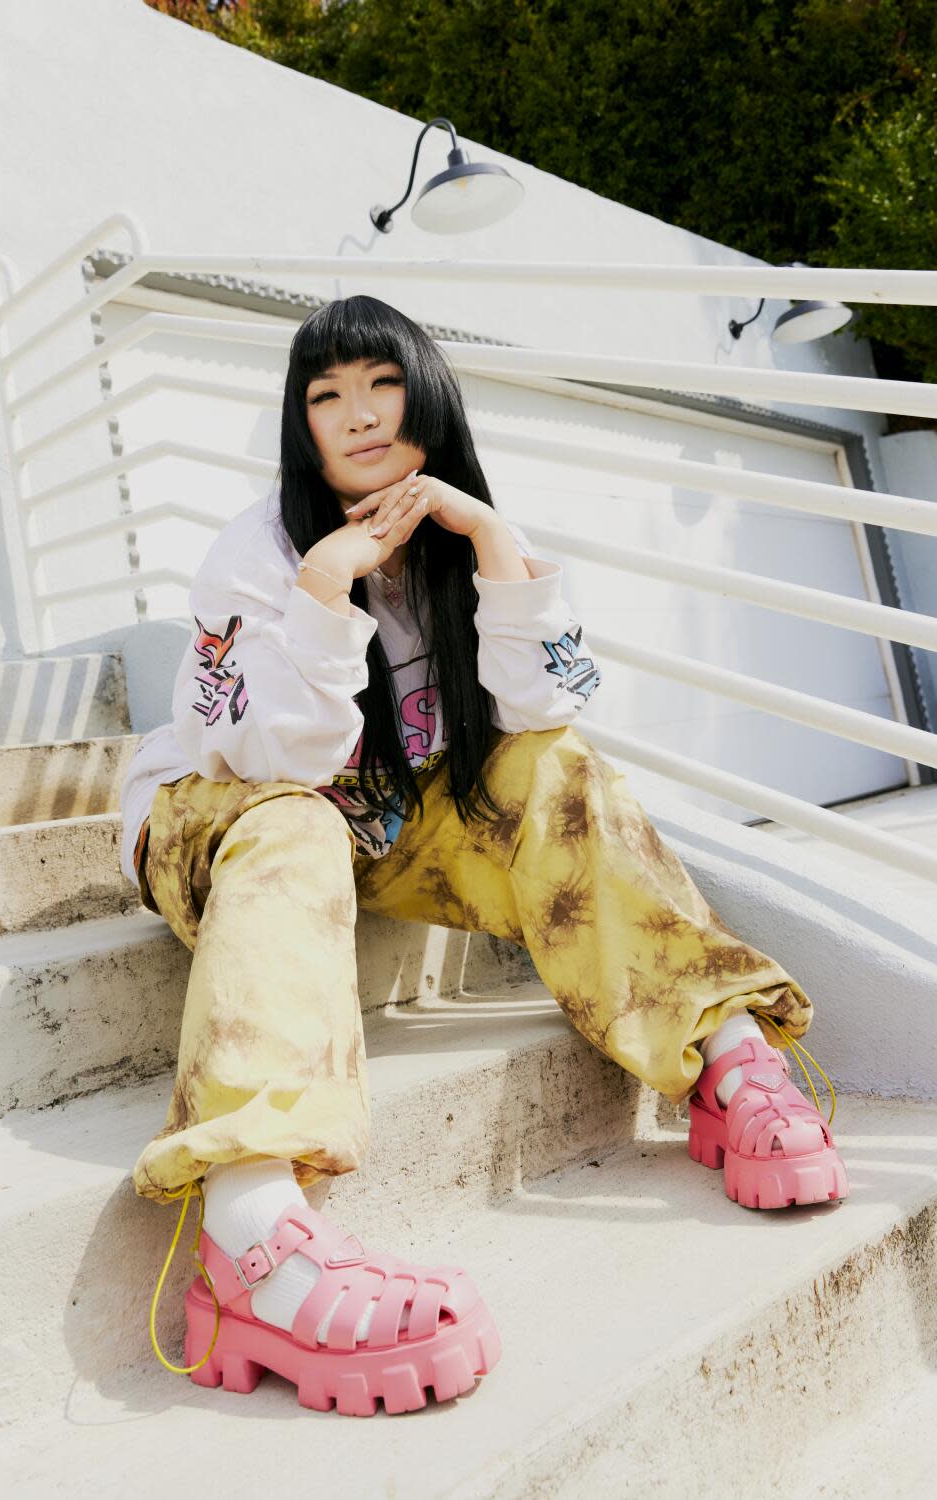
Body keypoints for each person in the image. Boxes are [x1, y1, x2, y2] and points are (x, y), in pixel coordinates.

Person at [119, 294, 849, 1418]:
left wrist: (493, 541)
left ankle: (723, 1051)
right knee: (297, 814)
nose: (359, 416)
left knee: (557, 772)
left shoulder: (459, 540)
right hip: (220, 820)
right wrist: (327, 582)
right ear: (300, 425)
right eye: (326, 396)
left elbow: (547, 712)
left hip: (391, 834)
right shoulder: (257, 552)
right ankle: (251, 1232)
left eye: (383, 384)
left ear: (431, 397)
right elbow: (263, 753)